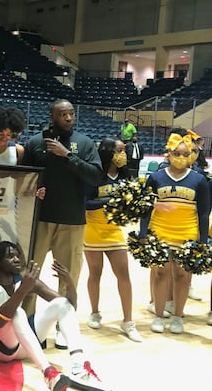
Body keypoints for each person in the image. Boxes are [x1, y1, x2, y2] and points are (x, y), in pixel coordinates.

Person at [0, 241, 109, 391]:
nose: (17, 259)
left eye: (18, 255)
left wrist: (70, 284)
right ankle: (48, 373)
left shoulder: (23, 280)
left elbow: (68, 308)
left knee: (60, 303)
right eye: (10, 256)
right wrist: (23, 290)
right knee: (17, 312)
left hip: (23, 346)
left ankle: (79, 366)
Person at [21, 99, 103, 336]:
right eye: (63, 114)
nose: (68, 118)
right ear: (52, 116)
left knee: (68, 276)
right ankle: (27, 323)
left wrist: (68, 156)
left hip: (71, 220)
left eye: (71, 114)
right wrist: (33, 189)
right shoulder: (36, 143)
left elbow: (96, 177)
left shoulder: (84, 143)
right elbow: (24, 179)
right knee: (29, 273)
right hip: (39, 220)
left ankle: (63, 327)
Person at [140, 133, 209, 334]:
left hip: (187, 232)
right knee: (161, 274)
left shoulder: (199, 180)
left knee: (182, 275)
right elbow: (145, 208)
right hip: (159, 231)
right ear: (168, 154)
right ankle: (159, 316)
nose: (180, 157)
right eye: (176, 153)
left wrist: (203, 241)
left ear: (190, 155)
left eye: (185, 153)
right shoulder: (155, 177)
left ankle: (178, 316)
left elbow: (204, 213)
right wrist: (143, 233)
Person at [84, 138, 142, 342]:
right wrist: (110, 201)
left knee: (124, 274)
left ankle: (128, 321)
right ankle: (94, 312)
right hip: (93, 228)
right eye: (119, 150)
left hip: (114, 231)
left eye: (124, 151)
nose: (123, 154)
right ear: (108, 152)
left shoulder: (126, 176)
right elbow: (86, 203)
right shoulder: (95, 174)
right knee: (95, 273)